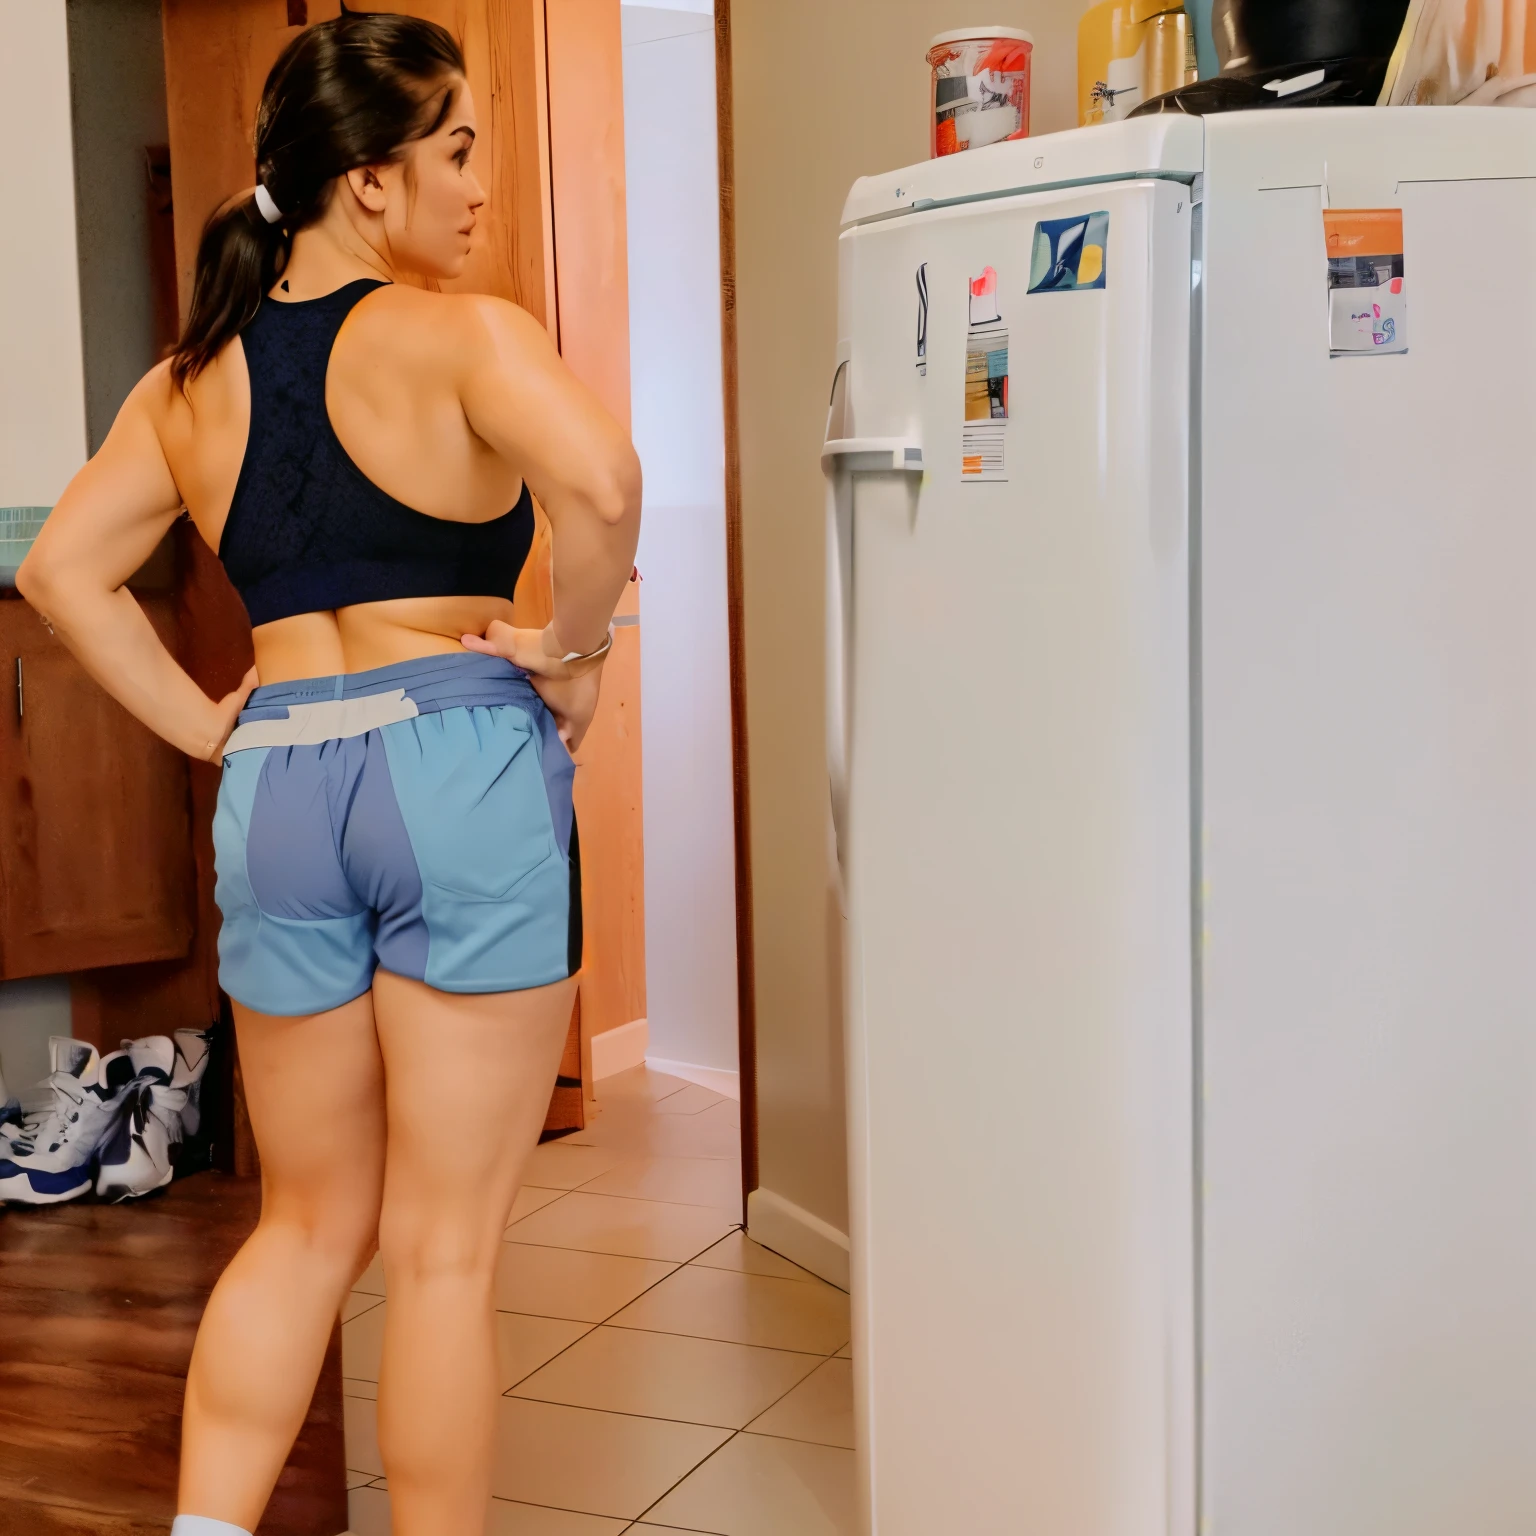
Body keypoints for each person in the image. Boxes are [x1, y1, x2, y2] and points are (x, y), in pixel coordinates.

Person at [16, 14, 640, 1536]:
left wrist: (210, 728)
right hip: (455, 761)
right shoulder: (466, 333)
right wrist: (573, 641)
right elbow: (606, 484)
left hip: (279, 784)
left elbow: (59, 570)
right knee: (439, 1249)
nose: (477, 188)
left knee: (303, 1226)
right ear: (370, 182)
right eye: (457, 152)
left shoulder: (186, 385)